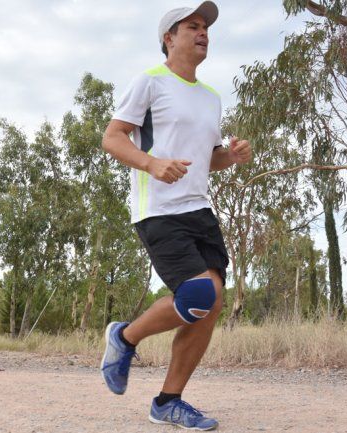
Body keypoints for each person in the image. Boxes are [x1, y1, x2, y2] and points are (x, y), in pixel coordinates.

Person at [99, 3, 252, 430]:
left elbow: (207, 160)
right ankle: (124, 337)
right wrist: (151, 164)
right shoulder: (150, 82)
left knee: (212, 303)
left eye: (205, 27)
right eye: (193, 26)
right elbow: (112, 138)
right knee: (199, 296)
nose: (203, 33)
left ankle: (168, 401)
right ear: (169, 37)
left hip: (199, 209)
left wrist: (232, 156)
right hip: (159, 210)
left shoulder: (211, 97)